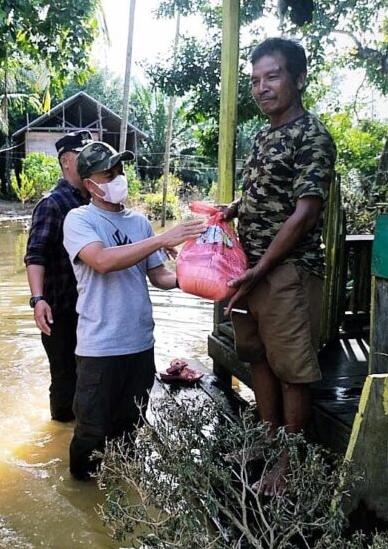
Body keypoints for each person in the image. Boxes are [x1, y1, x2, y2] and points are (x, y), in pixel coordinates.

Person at [220, 38, 337, 495]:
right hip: (250, 270)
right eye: (255, 80)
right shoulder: (264, 135)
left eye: (272, 76)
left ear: (299, 79)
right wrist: (233, 209)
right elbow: (264, 195)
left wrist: (262, 268)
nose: (261, 88)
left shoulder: (313, 136)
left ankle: (290, 463)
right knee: (257, 358)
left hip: (286, 271)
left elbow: (304, 213)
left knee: (292, 369)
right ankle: (265, 440)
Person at [62, 141, 206, 480]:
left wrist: (200, 278)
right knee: (92, 432)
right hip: (100, 347)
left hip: (140, 344)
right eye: (107, 174)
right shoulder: (79, 219)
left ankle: (120, 497)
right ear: (89, 183)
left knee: (132, 427)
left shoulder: (139, 224)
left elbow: (160, 276)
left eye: (119, 171)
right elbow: (102, 261)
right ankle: (80, 498)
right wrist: (163, 238)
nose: (117, 178)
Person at [24, 130, 93, 422]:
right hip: (60, 309)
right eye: (82, 154)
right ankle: (60, 437)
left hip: (90, 308)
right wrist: (38, 299)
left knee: (89, 376)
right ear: (66, 161)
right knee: (65, 378)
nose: (90, 159)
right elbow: (35, 254)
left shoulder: (95, 200)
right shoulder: (52, 203)